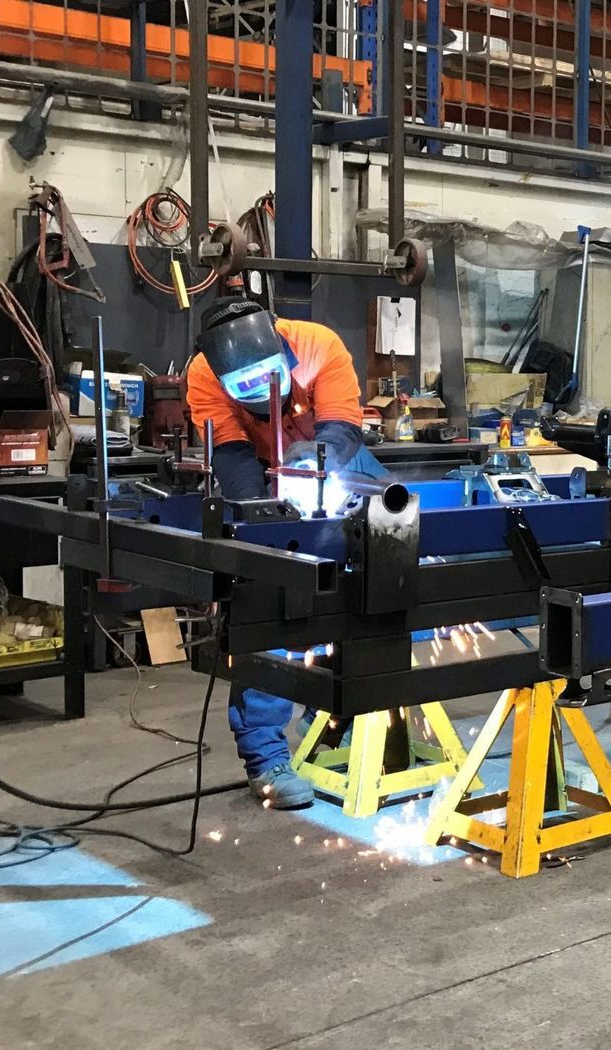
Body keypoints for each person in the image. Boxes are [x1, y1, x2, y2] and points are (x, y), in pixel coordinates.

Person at [186, 294, 382, 809]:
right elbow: (229, 454)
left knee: (385, 556)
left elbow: (341, 426)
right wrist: (265, 515)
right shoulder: (203, 375)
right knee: (269, 597)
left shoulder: (319, 345)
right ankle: (265, 754)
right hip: (257, 465)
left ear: (282, 345)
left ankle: (342, 714)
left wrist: (316, 460)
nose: (257, 394)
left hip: (331, 456)